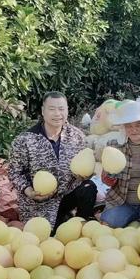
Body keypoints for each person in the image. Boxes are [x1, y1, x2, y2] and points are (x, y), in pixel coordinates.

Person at [8, 91, 97, 229]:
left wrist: (85, 174)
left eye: (61, 109)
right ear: (43, 111)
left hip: (67, 195)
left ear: (67, 110)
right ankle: (60, 221)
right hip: (39, 203)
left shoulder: (77, 136)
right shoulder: (25, 140)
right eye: (52, 109)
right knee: (49, 238)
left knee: (88, 187)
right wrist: (29, 191)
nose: (57, 114)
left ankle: (81, 224)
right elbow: (15, 172)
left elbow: (84, 164)